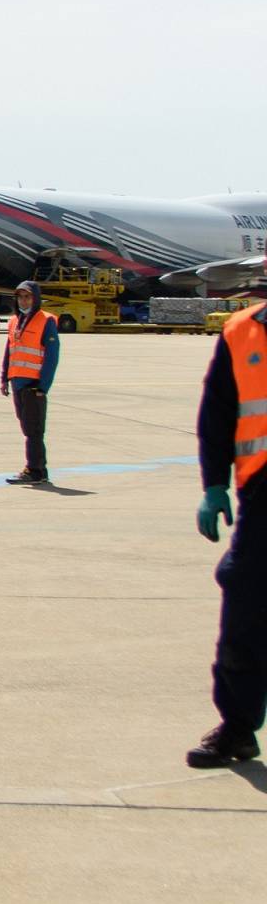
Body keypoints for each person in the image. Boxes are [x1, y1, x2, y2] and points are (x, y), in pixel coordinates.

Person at [185, 293, 267, 768]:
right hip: (261, 493)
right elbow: (217, 412)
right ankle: (238, 727)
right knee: (243, 604)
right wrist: (213, 485)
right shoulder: (241, 329)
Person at [2, 281, 58, 485]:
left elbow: (52, 357)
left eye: (28, 297)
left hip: (33, 385)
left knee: (34, 431)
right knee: (27, 428)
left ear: (35, 299)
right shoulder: (14, 321)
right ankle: (36, 469)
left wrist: (43, 386)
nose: (24, 301)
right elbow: (9, 351)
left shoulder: (46, 321)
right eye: (20, 297)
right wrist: (4, 378)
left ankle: (36, 470)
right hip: (17, 382)